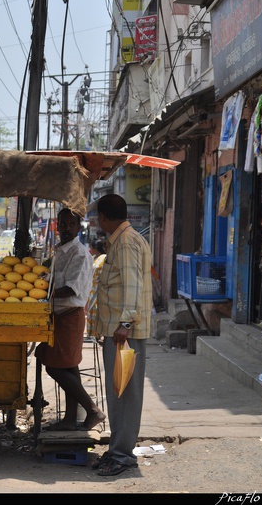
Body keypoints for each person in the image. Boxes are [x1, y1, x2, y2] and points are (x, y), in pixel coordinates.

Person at [92, 193, 152, 477]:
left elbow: (132, 286)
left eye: (97, 217)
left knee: (125, 394)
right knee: (118, 393)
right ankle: (117, 449)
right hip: (120, 331)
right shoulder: (123, 240)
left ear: (104, 217)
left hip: (124, 333)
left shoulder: (126, 242)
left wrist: (125, 324)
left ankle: (122, 455)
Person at [34, 209, 105, 432]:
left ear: (77, 226)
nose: (65, 229)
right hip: (58, 315)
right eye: (62, 224)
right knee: (70, 367)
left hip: (69, 316)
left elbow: (70, 289)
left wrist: (42, 291)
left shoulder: (80, 253)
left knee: (54, 367)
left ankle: (93, 410)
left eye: (70, 225)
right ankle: (70, 418)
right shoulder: (61, 251)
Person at [85, 238, 107, 338]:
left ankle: (98, 335)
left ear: (95, 249)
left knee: (97, 316)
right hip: (94, 291)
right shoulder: (98, 259)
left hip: (98, 292)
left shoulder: (102, 259)